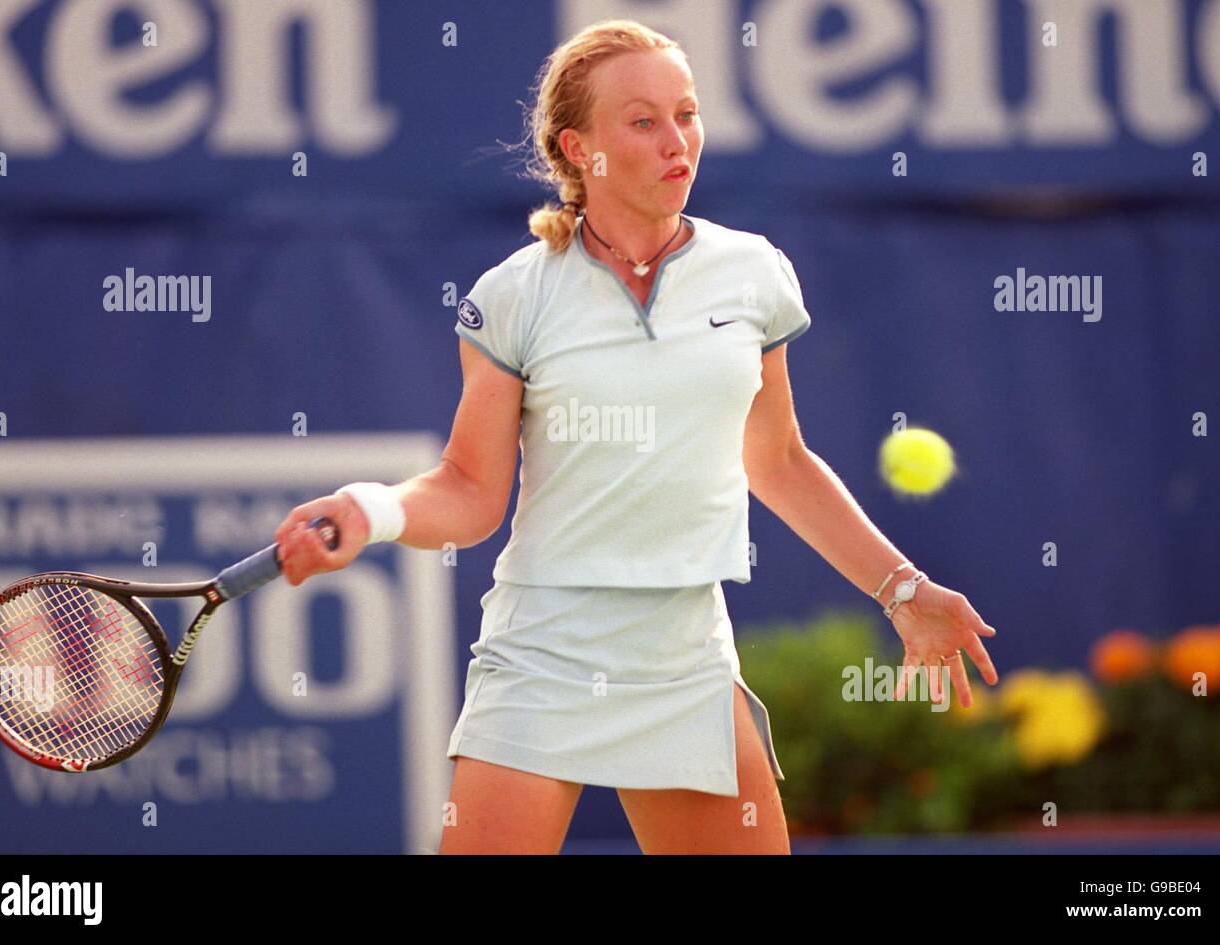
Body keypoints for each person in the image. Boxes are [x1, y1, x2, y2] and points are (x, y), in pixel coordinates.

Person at [274, 19, 999, 855]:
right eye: (644, 121)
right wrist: (370, 510)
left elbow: (780, 461)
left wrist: (902, 590)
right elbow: (470, 492)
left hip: (684, 655)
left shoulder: (753, 274)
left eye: (687, 114)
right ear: (579, 149)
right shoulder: (515, 295)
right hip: (543, 652)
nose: (677, 140)